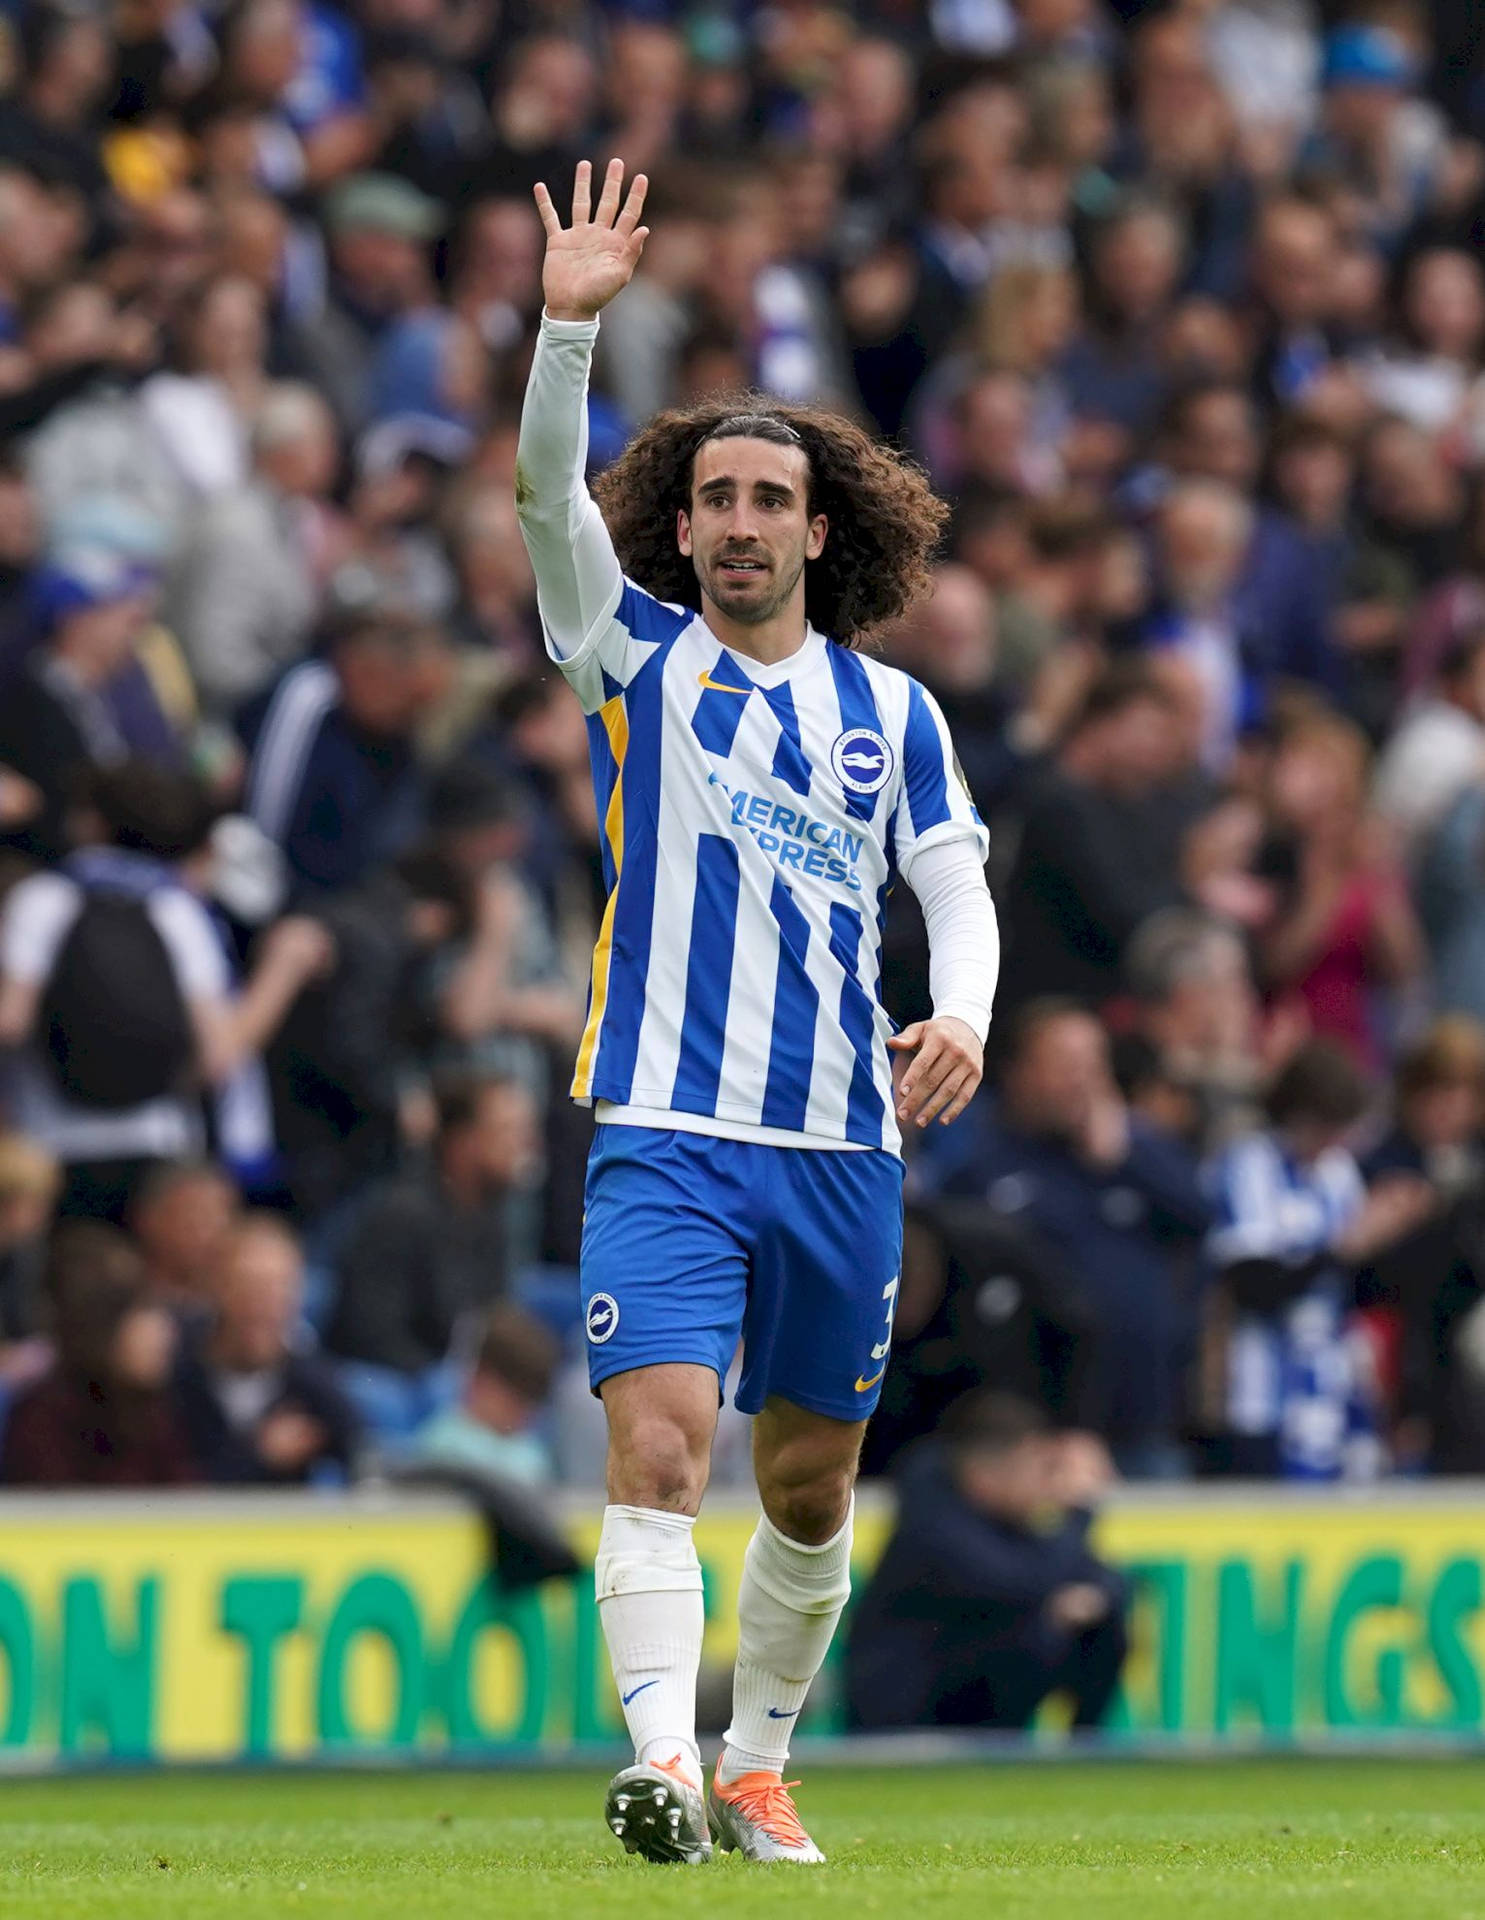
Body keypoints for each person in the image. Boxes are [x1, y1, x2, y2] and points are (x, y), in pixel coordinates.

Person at [517, 160, 997, 1864]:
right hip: (664, 1121)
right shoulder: (632, 654)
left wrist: (966, 1014)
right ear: (686, 521)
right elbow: (537, 510)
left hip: (841, 1144)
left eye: (762, 499)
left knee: (805, 1491)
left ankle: (758, 1756)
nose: (732, 520)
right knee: (657, 1451)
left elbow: (951, 876)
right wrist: (568, 329)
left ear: (815, 528)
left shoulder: (894, 711)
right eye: (710, 493)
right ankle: (658, 1761)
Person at [0, 762, 331, 1222]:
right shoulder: (177, 912)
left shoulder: (43, 900)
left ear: (91, 823)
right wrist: (282, 971)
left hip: (50, 1141)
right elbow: (220, 1053)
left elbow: (11, 1021)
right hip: (156, 1147)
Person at [923, 998, 1211, 1476]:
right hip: (1031, 1440)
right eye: (1065, 1065)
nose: (1083, 1081)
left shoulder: (1136, 1153)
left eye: (1093, 1065)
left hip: (1146, 1424)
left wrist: (1127, 1156)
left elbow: (1203, 1217)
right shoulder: (983, 1169)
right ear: (1016, 1072)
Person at [1204, 1040, 1434, 1478]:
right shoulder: (1250, 1166)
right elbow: (1253, 1285)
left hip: (1330, 1390)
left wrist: (1398, 1233)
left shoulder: (1337, 1171)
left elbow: (1359, 1286)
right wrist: (1344, 1245)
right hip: (1259, 1396)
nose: (1333, 1142)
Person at [845, 1392, 1129, 1733]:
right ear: (984, 1473)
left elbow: (1108, 1580)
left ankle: (1083, 1750)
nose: (1048, 1485)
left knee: (1100, 1622)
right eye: (1040, 1469)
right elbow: (1010, 1583)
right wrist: (1080, 1512)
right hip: (907, 1707)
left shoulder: (1011, 1518)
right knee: (1032, 1623)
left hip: (975, 1691)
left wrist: (1090, 1599)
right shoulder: (931, 1515)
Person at [323, 1072, 540, 1432]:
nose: (526, 1145)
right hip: (393, 1381)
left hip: (452, 1378)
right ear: (462, 1141)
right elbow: (370, 1332)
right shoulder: (399, 1213)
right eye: (508, 1130)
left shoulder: (492, 1219)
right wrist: (461, 1384)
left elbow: (492, 1320)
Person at [2, 1222, 197, 1486]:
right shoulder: (45, 1415)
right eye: (146, 1316)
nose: (166, 1339)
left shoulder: (154, 1412)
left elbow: (188, 1503)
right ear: (107, 1331)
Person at [175, 1212, 358, 1484]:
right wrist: (257, 1456)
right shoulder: (175, 1376)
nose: (262, 1303)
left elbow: (363, 1465)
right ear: (215, 1287)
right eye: (248, 1286)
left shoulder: (314, 1384)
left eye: (278, 1287)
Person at [406, 1301, 559, 1485]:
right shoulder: (441, 1448)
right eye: (516, 1399)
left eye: (530, 1402)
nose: (523, 1414)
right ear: (482, 1379)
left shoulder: (533, 1454)